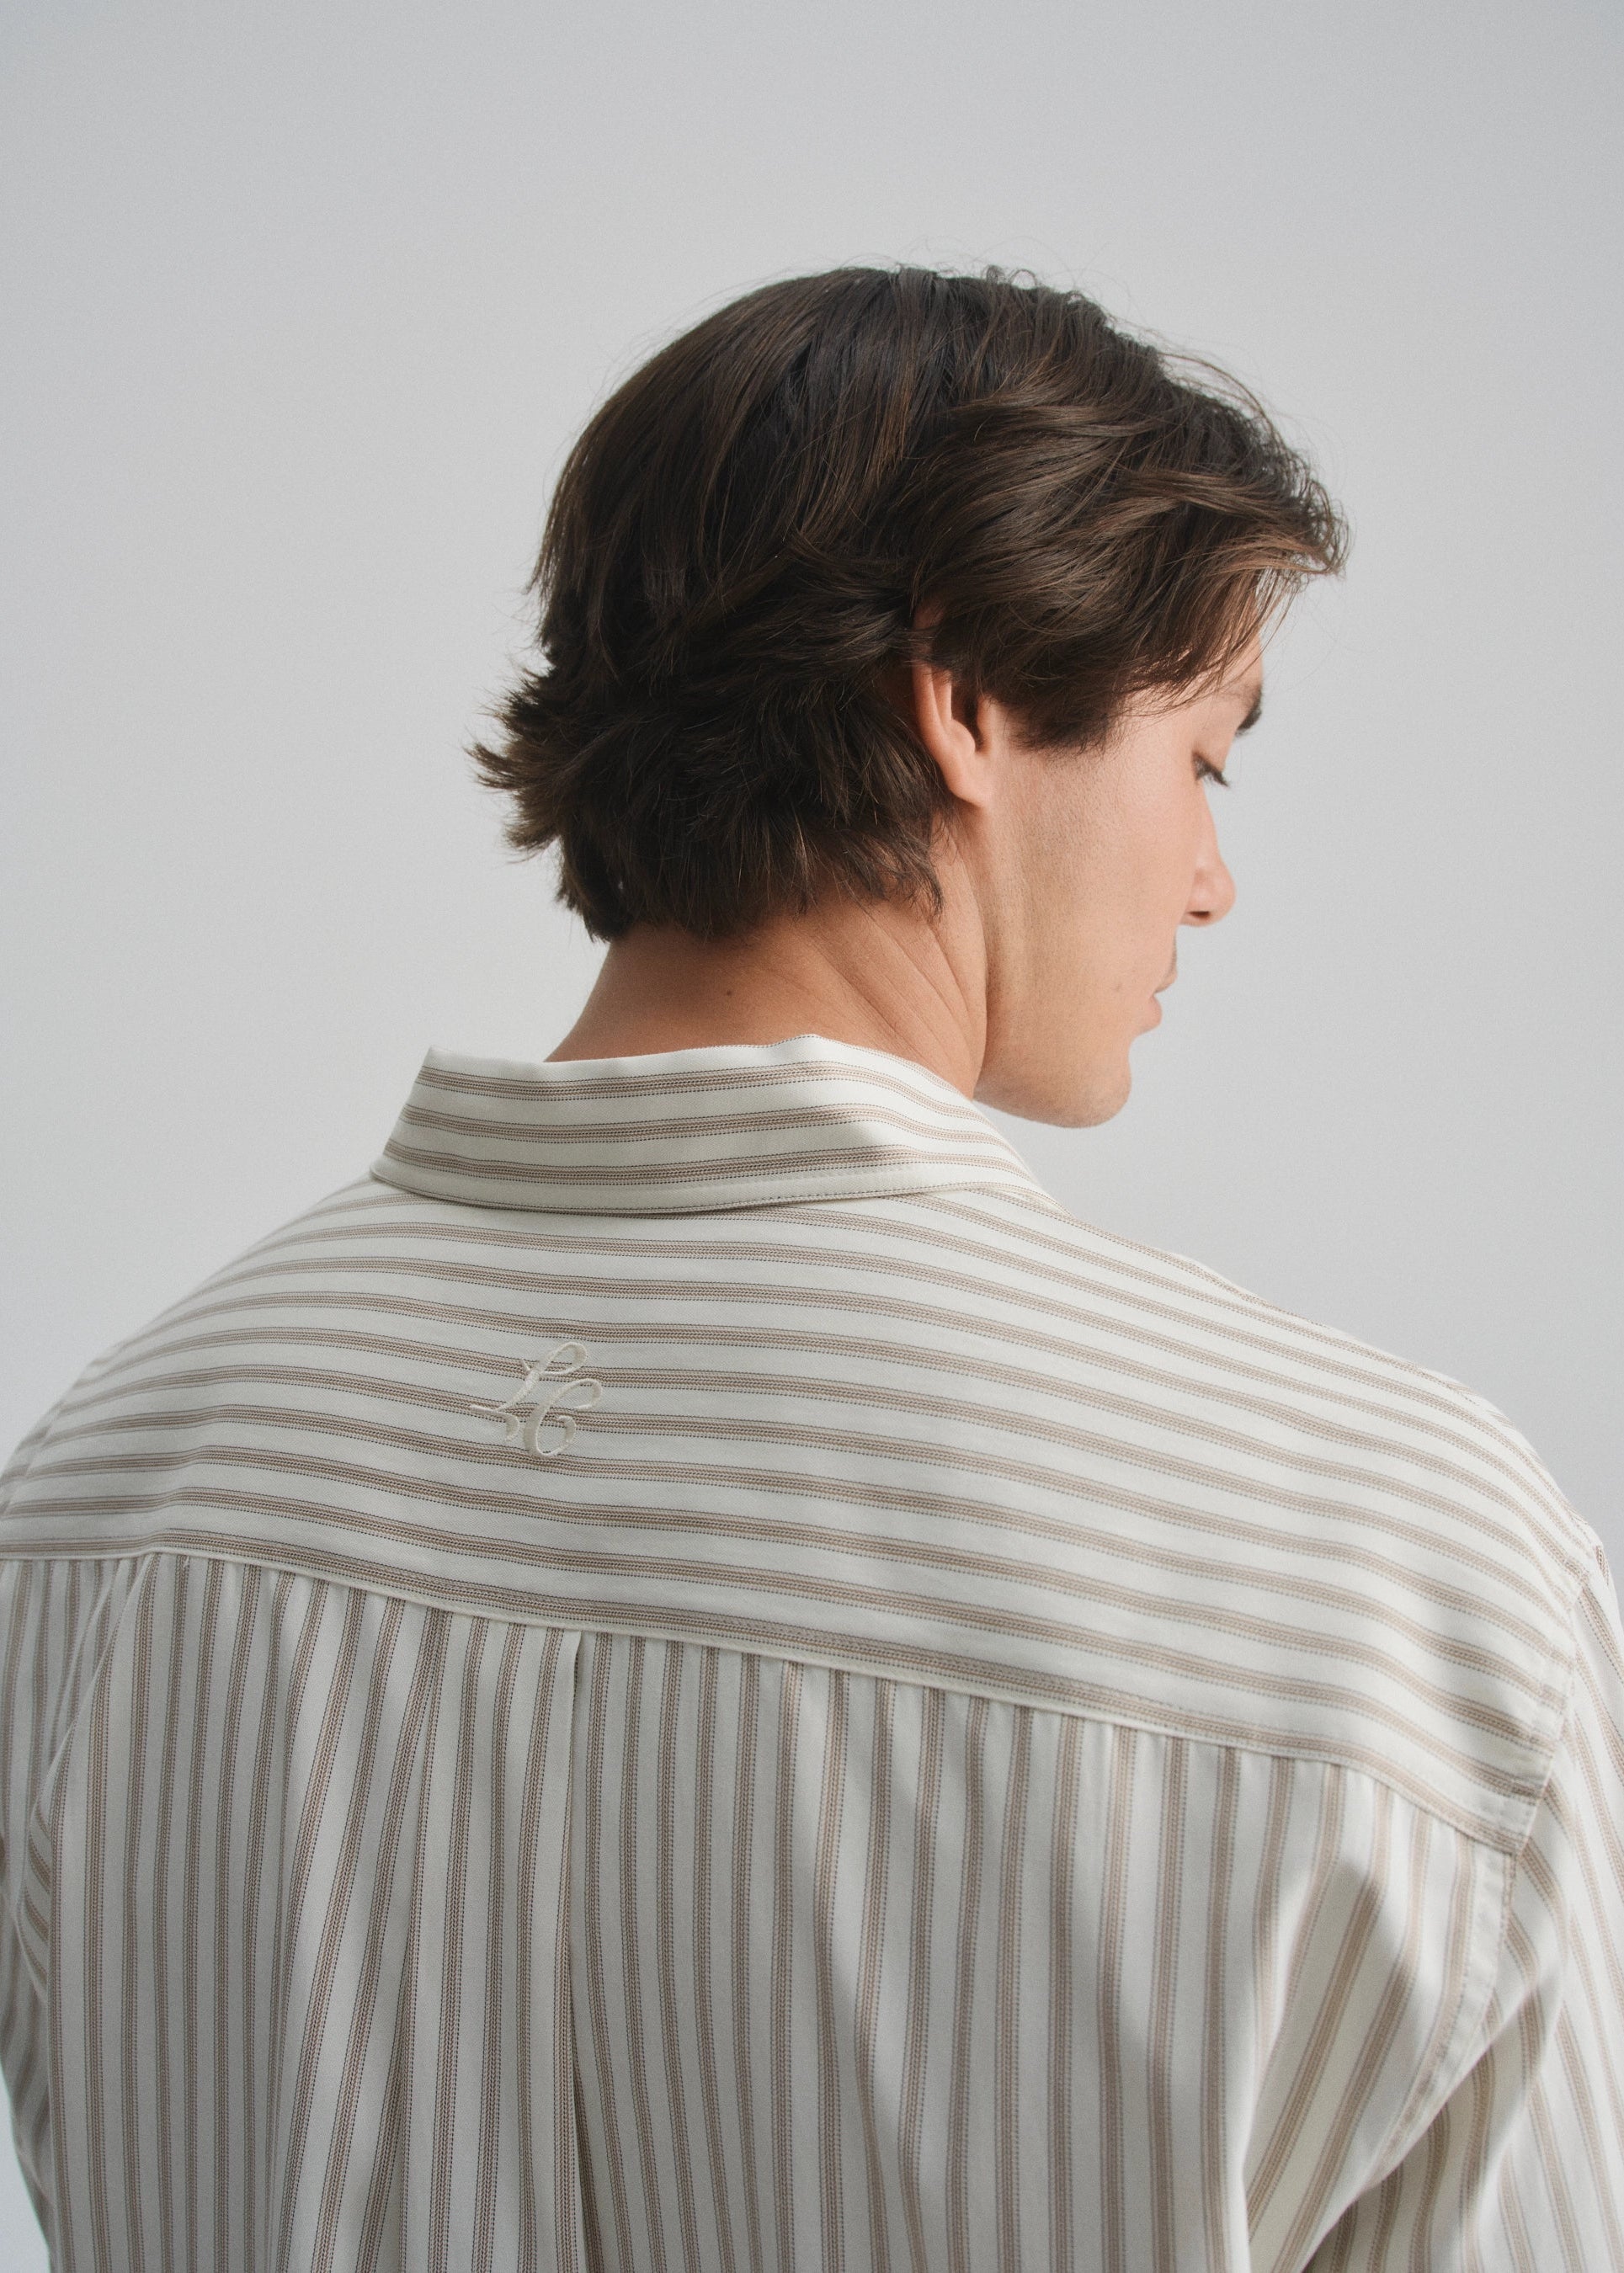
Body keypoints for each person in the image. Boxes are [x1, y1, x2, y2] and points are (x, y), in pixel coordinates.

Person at [2, 265, 1619, 2273]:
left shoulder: (95, 1494)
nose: (1212, 871)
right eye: (1204, 756)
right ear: (959, 702)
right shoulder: (1409, 1584)